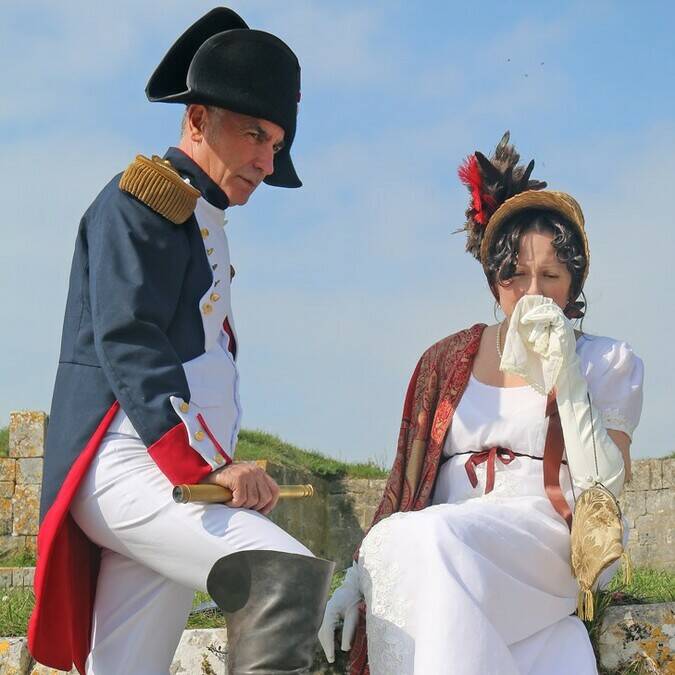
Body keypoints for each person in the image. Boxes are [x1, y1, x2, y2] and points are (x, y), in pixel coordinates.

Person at [28, 8, 334, 675]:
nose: (265, 158)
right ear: (197, 120)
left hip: (171, 469)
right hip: (130, 463)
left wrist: (212, 464)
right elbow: (130, 341)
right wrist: (207, 468)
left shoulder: (201, 217)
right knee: (284, 570)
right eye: (253, 133)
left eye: (275, 143)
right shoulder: (141, 201)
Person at [319, 132, 643, 674]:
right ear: (494, 281)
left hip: (551, 543)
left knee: (428, 539)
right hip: (443, 546)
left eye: (551, 276)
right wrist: (358, 581)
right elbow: (403, 486)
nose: (532, 291)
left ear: (575, 282)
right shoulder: (444, 360)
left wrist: (566, 373)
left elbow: (604, 495)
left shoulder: (607, 361)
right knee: (412, 546)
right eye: (515, 275)